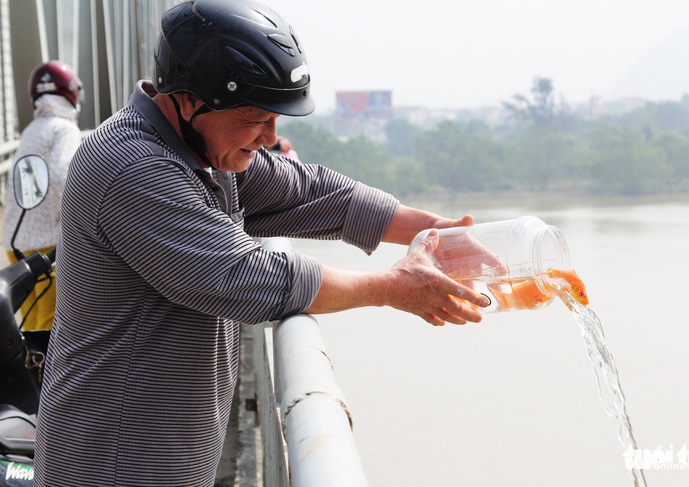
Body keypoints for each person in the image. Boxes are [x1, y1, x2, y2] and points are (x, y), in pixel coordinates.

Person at [34, 1, 489, 485]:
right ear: (189, 101)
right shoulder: (134, 167)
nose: (270, 137)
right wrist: (391, 287)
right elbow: (245, 275)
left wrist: (436, 232)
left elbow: (314, 192)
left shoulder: (204, 154)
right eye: (256, 117)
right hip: (111, 464)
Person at [1, 60, 82, 331]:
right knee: (50, 323)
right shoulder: (65, 129)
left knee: (30, 321)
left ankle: (28, 370)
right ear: (71, 91)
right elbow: (64, 175)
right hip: (46, 241)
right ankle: (44, 374)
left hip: (15, 240)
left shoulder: (30, 130)